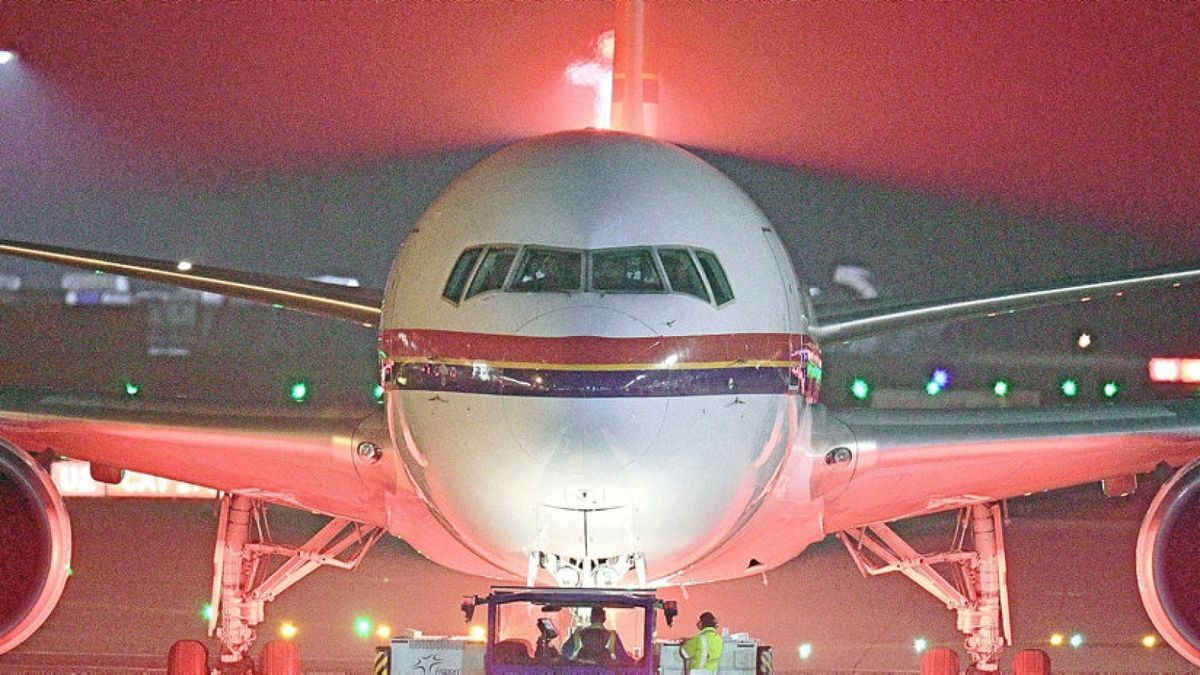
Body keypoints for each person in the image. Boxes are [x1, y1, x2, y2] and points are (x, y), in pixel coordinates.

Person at [562, 607, 630, 664]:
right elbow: (623, 659)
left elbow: (565, 653)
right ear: (604, 619)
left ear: (591, 618)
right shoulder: (612, 637)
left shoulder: (578, 634)